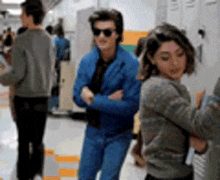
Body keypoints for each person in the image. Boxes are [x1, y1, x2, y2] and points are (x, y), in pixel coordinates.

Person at [137, 23, 220, 180]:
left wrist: (200, 146)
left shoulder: (173, 85)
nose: (175, 63)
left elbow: (189, 133)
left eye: (180, 54)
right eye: (165, 58)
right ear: (151, 58)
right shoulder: (159, 89)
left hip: (177, 172)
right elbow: (203, 126)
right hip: (167, 177)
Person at [73, 9, 141, 180]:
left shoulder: (130, 64)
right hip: (93, 131)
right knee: (84, 177)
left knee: (109, 178)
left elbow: (130, 107)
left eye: (107, 32)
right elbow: (77, 98)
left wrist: (94, 99)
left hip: (118, 134)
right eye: (97, 32)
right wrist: (109, 100)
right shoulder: (87, 61)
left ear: (117, 34)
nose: (101, 36)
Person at [0, 1, 55, 180]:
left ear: (30, 16)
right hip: (43, 99)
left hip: (24, 99)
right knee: (38, 141)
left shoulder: (22, 40)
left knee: (24, 142)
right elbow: (52, 72)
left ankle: (24, 177)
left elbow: (17, 73)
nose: (20, 17)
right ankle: (37, 174)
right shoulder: (49, 39)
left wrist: (2, 77)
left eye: (22, 14)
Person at [130, 36, 148, 168]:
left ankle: (138, 152)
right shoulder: (143, 61)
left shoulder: (136, 59)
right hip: (143, 94)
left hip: (139, 94)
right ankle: (138, 152)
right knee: (145, 124)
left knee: (144, 123)